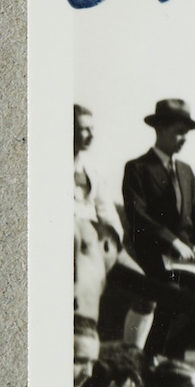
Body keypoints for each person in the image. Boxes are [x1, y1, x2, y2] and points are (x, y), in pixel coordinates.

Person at [117, 98, 195, 348]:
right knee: (170, 297)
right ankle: (148, 358)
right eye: (179, 132)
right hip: (154, 256)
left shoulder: (187, 171)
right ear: (160, 129)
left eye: (186, 133)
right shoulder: (137, 168)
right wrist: (173, 241)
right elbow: (138, 215)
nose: (184, 138)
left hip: (188, 259)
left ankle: (174, 356)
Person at [72, 106, 124, 324]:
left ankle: (133, 354)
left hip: (99, 242)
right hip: (73, 238)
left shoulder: (93, 168)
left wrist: (114, 240)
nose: (91, 135)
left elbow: (106, 211)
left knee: (145, 284)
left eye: (92, 128)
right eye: (84, 129)